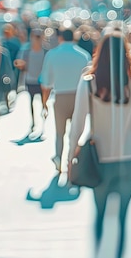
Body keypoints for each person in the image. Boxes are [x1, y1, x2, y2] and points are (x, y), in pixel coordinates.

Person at [68, 31, 131, 258]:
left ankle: (97, 253)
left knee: (100, 213)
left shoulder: (90, 83)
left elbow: (77, 124)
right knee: (124, 217)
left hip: (100, 158)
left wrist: (69, 159)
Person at [40, 28, 91, 171]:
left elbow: (46, 83)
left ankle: (58, 157)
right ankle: (72, 158)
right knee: (76, 130)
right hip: (79, 97)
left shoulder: (52, 54)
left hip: (60, 96)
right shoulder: (83, 55)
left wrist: (44, 103)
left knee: (59, 132)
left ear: (61, 37)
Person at [14, 28, 47, 138]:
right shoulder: (26, 51)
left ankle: (43, 123)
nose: (36, 39)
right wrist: (20, 64)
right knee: (31, 103)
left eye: (38, 36)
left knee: (43, 104)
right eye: (34, 36)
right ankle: (33, 122)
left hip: (42, 82)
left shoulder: (45, 51)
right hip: (30, 80)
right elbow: (19, 62)